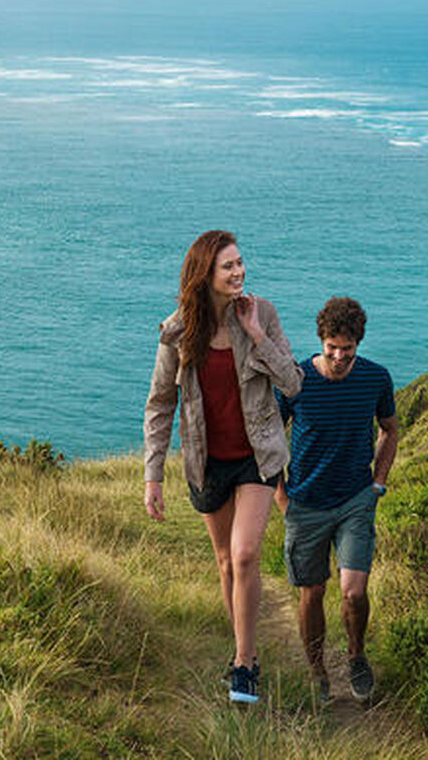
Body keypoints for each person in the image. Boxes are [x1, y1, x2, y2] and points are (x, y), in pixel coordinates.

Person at [143, 230, 302, 705]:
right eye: (228, 266)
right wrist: (153, 474)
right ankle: (244, 653)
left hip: (258, 456)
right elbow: (159, 404)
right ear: (204, 276)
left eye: (240, 263)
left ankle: (243, 664)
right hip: (206, 461)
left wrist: (255, 334)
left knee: (247, 554)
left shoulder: (263, 314)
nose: (239, 272)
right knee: (225, 562)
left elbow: (292, 383)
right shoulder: (176, 331)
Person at [277, 297, 398, 703]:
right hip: (304, 503)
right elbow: (270, 438)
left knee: (354, 592)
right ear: (321, 340)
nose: (339, 355)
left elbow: (390, 430)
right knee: (310, 593)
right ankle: (316, 672)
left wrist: (378, 482)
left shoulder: (376, 379)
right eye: (332, 347)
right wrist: (280, 496)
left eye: (347, 348)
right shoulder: (295, 380)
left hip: (354, 500)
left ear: (358, 344)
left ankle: (356, 656)